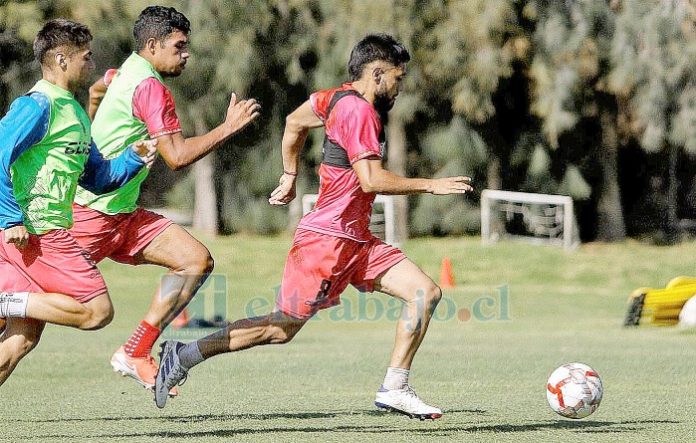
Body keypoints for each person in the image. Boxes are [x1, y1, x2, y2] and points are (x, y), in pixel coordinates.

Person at [155, 33, 472, 419]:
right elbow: (371, 179)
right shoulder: (359, 112)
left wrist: (290, 174)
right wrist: (429, 184)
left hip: (357, 241)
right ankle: (183, 353)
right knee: (279, 329)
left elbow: (294, 122)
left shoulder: (331, 98)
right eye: (396, 78)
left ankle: (395, 387)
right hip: (326, 242)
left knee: (425, 292)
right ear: (376, 73)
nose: (399, 87)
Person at [69, 5, 261, 393]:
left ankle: (136, 350)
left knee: (195, 260)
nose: (185, 54)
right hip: (87, 215)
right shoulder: (150, 87)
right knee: (25, 326)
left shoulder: (128, 70)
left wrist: (94, 123)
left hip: (121, 215)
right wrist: (227, 128)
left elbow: (99, 87)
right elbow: (176, 157)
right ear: (153, 45)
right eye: (179, 46)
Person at [0, 19, 157, 388]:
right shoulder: (37, 105)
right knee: (97, 311)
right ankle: (4, 302)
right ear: (61, 59)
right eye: (86, 57)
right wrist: (10, 219)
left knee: (19, 341)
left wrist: (133, 159)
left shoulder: (74, 113)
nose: (92, 65)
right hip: (36, 233)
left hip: (38, 235)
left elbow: (98, 177)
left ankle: (9, 303)